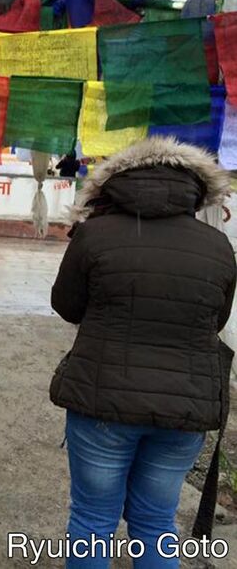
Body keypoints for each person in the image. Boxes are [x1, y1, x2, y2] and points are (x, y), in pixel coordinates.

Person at [49, 137, 236, 568]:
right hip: (185, 409)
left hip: (102, 402)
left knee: (93, 520)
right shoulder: (217, 245)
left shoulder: (94, 234)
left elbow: (66, 305)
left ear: (115, 185)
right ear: (195, 190)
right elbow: (217, 319)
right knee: (156, 522)